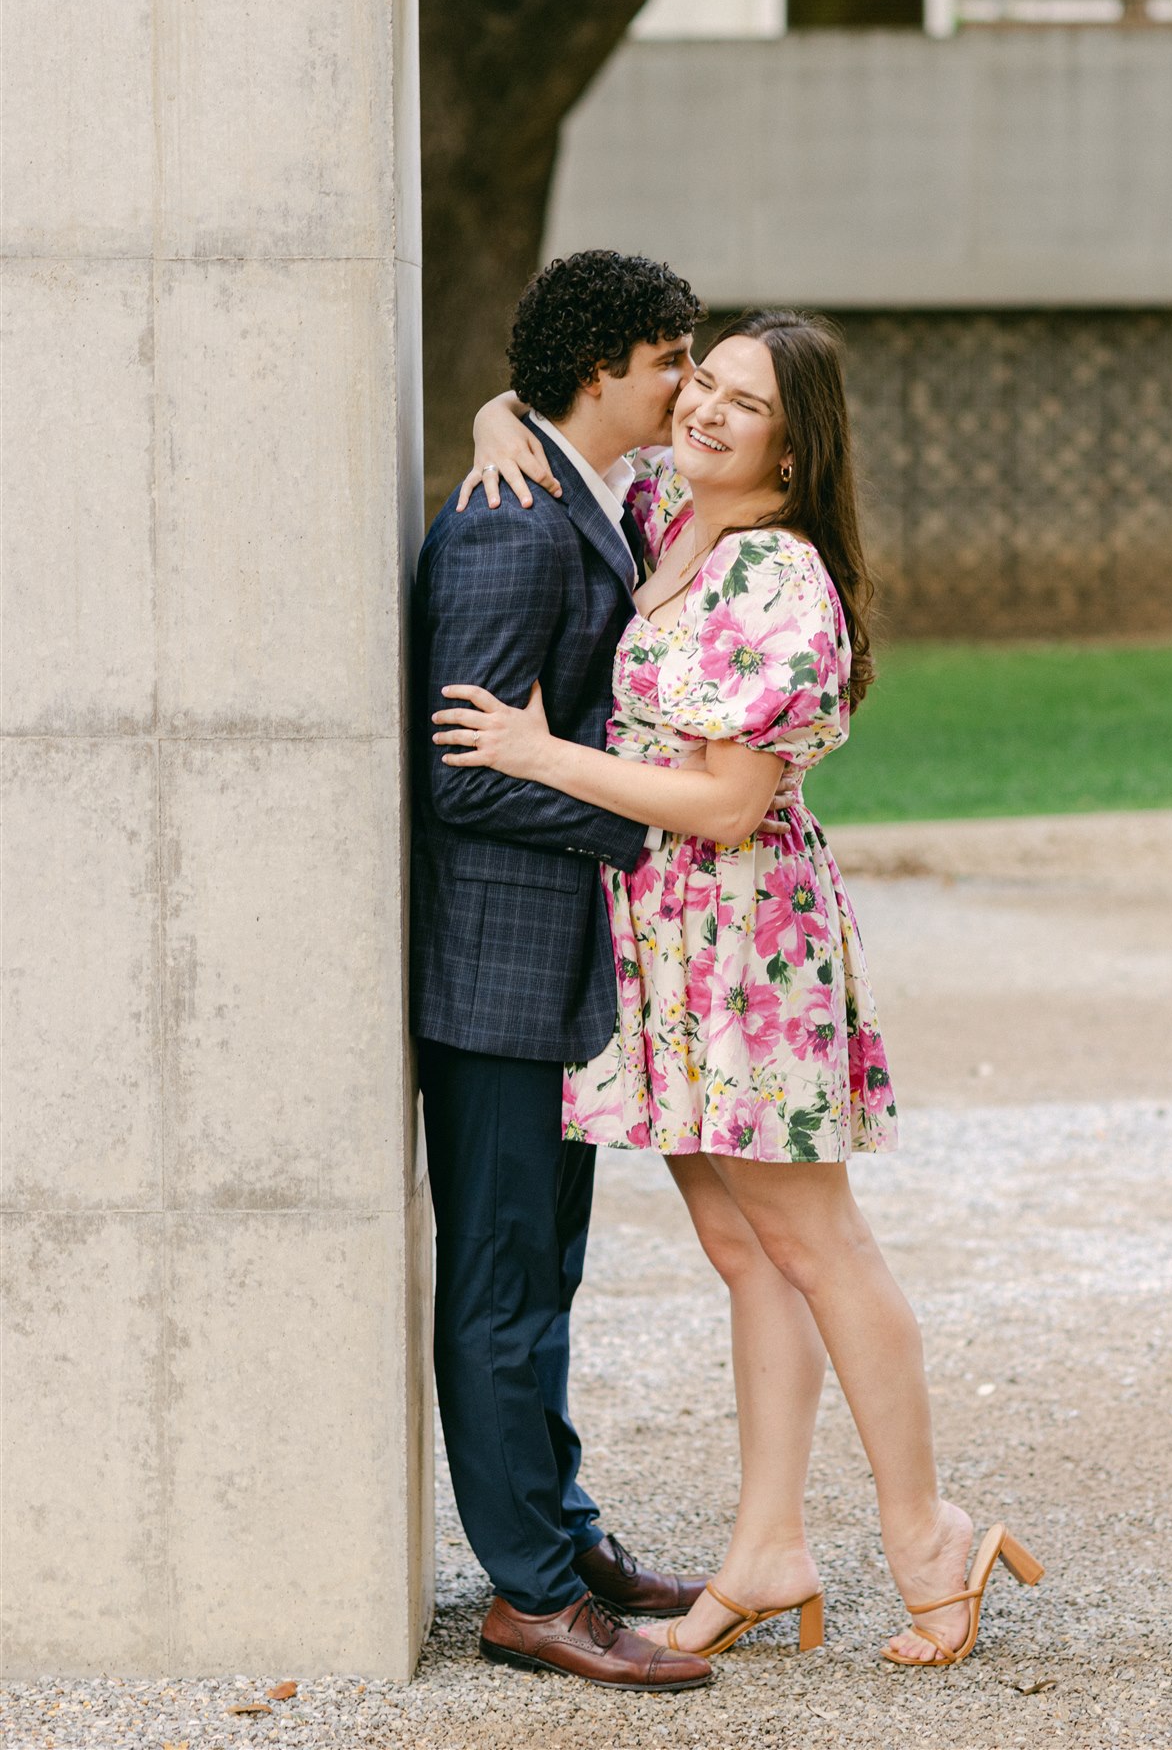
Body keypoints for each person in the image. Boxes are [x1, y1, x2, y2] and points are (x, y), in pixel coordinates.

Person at [435, 310, 1044, 1668]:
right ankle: (768, 1547)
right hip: (659, 940)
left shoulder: (780, 578)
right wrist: (492, 421)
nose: (703, 409)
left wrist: (537, 757)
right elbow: (546, 421)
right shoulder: (662, 505)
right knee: (741, 1251)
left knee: (818, 1244)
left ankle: (926, 1532)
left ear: (793, 438)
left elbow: (720, 805)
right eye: (698, 381)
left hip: (740, 942)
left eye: (742, 402)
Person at [410, 250, 720, 1692]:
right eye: (671, 360)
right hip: (495, 969)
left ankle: (561, 1534)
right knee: (498, 1279)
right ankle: (529, 1595)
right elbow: (463, 776)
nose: (688, 384)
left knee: (548, 1271)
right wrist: (638, 820)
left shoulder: (567, 486)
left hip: (552, 969)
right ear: (603, 370)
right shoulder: (508, 526)